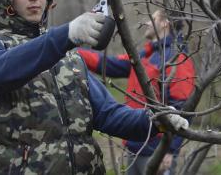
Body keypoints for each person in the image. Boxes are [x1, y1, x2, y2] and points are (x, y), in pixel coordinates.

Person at [0, 0, 189, 175]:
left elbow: (108, 114)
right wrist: (66, 35)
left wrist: (154, 120)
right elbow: (0, 71)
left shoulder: (68, 57)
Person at [77, 9, 195, 175]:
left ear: (164, 23)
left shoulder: (177, 59)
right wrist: (72, 52)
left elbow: (183, 109)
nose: (147, 22)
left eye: (152, 18)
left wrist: (170, 150)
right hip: (135, 144)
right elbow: (108, 64)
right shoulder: (145, 56)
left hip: (157, 151)